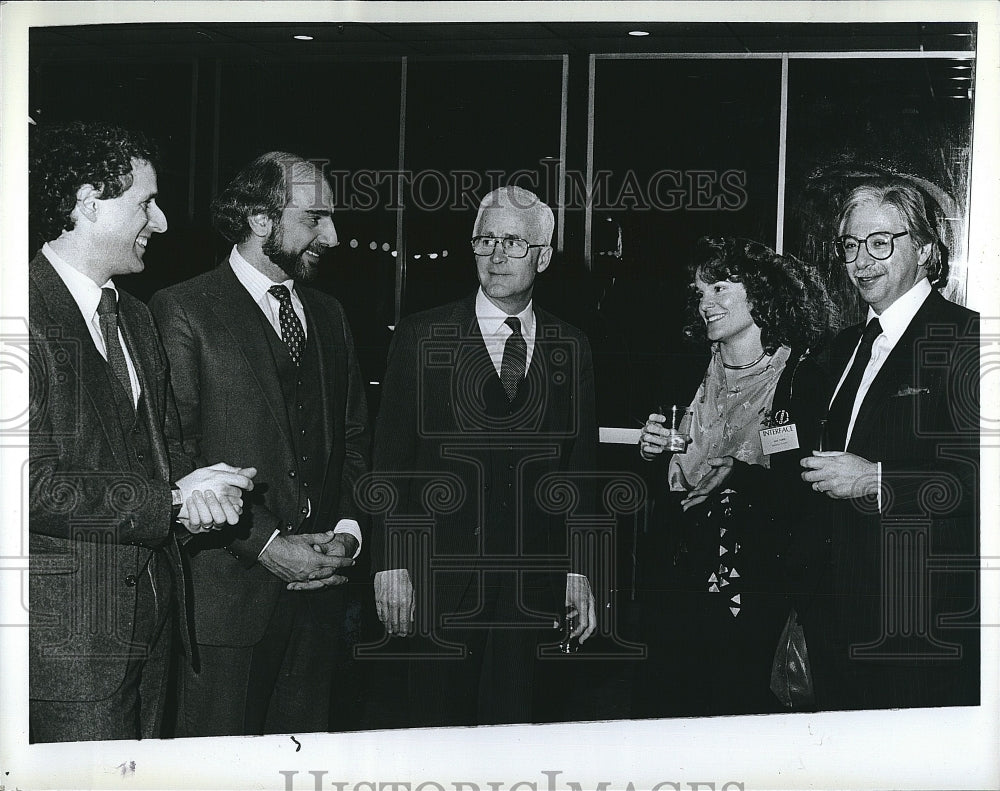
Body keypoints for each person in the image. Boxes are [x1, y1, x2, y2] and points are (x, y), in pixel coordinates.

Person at [28, 121, 256, 742]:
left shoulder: (132, 315)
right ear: (85, 202)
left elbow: (145, 454)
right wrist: (172, 501)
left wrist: (194, 486)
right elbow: (28, 488)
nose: (159, 223)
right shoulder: (17, 313)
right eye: (145, 203)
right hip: (66, 654)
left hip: (151, 633)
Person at [148, 152, 370, 735]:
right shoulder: (183, 310)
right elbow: (173, 454)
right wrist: (267, 544)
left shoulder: (329, 314)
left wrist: (347, 531)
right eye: (316, 218)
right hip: (227, 606)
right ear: (261, 218)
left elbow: (352, 439)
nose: (334, 235)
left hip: (319, 600)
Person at [369, 185, 599, 727]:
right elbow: (390, 462)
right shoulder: (423, 335)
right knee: (433, 741)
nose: (496, 255)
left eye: (514, 243)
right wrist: (391, 564)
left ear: (543, 257)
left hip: (531, 590)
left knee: (516, 738)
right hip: (436, 583)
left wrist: (581, 571)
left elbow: (581, 470)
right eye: (485, 239)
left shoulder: (574, 346)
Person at [800, 177, 979, 711]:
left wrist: (874, 480)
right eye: (851, 245)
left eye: (881, 242)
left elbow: (980, 485)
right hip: (836, 621)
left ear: (925, 251)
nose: (862, 261)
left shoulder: (967, 341)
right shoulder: (841, 349)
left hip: (918, 628)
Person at [634, 237, 833, 717]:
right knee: (672, 708)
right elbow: (664, 468)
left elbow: (808, 486)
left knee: (738, 710)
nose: (706, 304)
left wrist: (739, 475)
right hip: (679, 569)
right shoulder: (685, 367)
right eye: (699, 293)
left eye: (719, 287)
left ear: (760, 291)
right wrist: (648, 450)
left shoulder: (803, 375)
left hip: (756, 579)